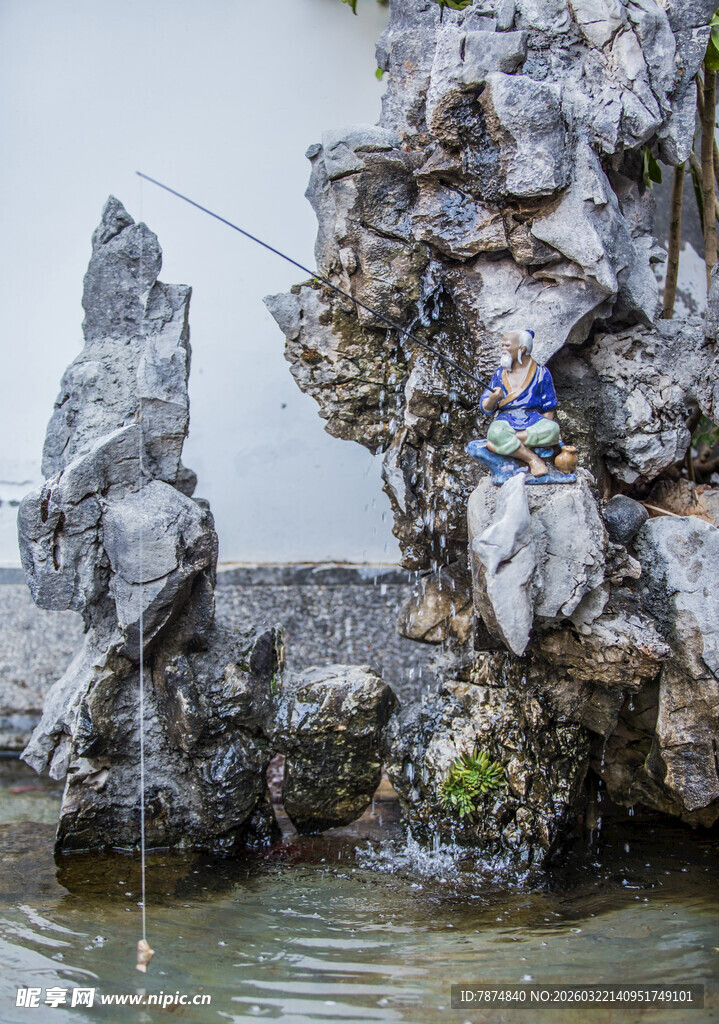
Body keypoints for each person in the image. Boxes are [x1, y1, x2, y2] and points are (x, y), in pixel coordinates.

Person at [479, 329, 560, 477]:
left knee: (553, 429)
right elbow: (486, 408)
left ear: (521, 349)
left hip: (532, 419)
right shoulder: (499, 374)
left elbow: (548, 406)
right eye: (502, 345)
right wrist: (493, 399)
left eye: (507, 346)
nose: (503, 349)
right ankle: (532, 460)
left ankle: (502, 441)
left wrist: (546, 427)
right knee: (495, 431)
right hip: (506, 420)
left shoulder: (541, 372)